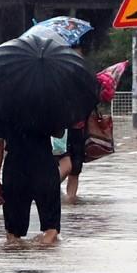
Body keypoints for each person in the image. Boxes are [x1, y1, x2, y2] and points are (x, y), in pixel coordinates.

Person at [0, 116, 62, 244]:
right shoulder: (48, 103)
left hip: (15, 168)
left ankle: (18, 260)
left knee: (13, 235)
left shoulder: (1, 106)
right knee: (51, 229)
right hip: (44, 165)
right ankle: (46, 259)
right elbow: (59, 133)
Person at [57, 46, 87, 200]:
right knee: (67, 165)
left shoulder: (83, 78)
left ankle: (70, 202)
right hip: (62, 130)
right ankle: (47, 189)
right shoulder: (58, 78)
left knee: (75, 169)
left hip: (78, 129)